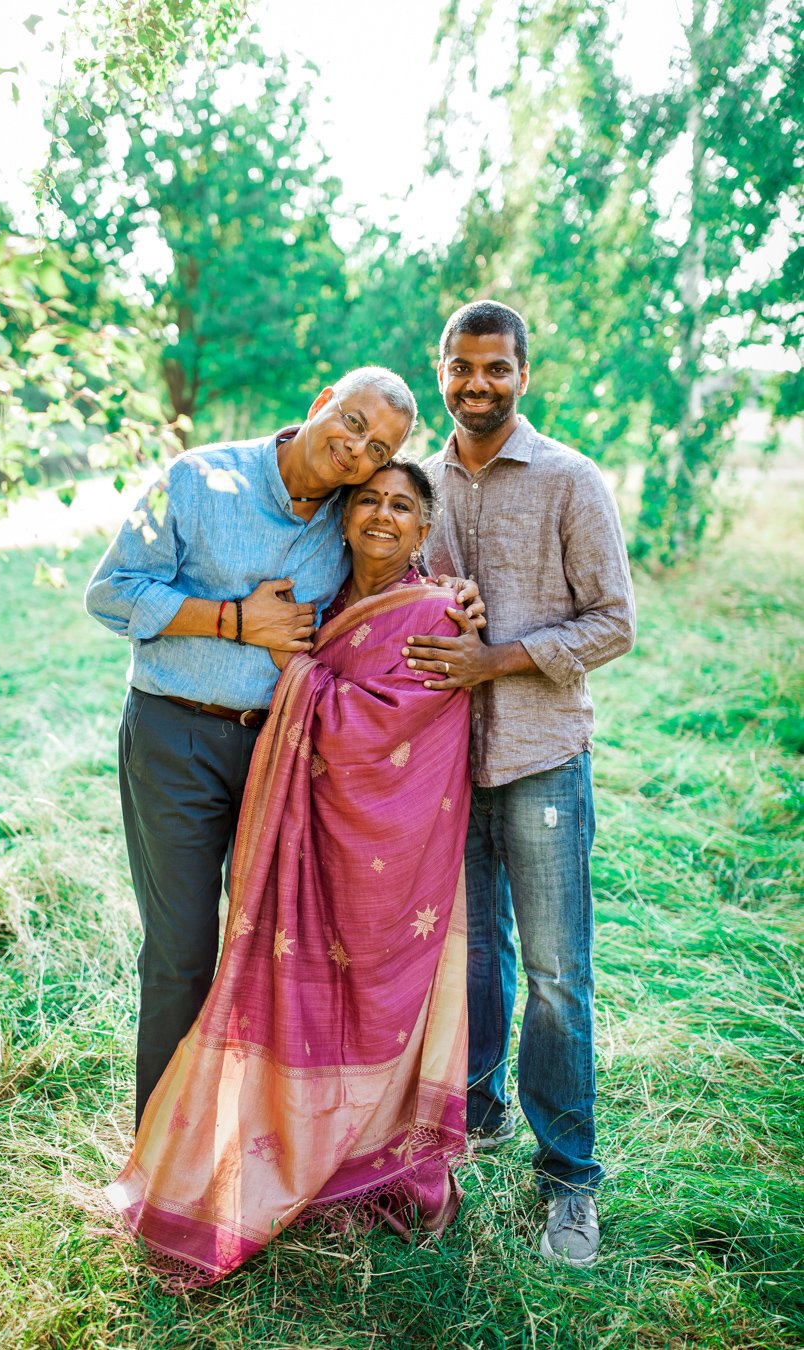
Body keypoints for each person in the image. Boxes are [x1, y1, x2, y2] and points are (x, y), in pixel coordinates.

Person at [106, 460, 472, 1282]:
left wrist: (297, 672)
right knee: (225, 963)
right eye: (370, 500)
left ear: (424, 530)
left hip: (380, 850)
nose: (383, 513)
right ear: (343, 521)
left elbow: (393, 724)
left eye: (403, 506)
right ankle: (198, 1145)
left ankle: (351, 1155)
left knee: (359, 988)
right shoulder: (324, 595)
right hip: (272, 805)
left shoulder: (438, 611)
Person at [85, 370, 478, 1130]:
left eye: (379, 447)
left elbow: (387, 568)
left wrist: (453, 596)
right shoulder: (195, 478)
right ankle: (162, 1152)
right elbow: (109, 594)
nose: (356, 449)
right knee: (182, 953)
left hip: (283, 753)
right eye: (352, 422)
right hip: (178, 736)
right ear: (319, 401)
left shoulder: (345, 508)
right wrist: (234, 621)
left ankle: (242, 1143)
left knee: (269, 952)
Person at [402, 301, 636, 1268]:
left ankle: (571, 1178)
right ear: (441, 370)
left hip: (541, 757)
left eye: (497, 368)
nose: (478, 384)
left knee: (554, 975)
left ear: (524, 375)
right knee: (470, 961)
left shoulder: (571, 480)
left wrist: (496, 662)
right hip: (449, 766)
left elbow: (613, 623)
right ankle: (481, 1111)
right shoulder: (417, 483)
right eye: (462, 368)